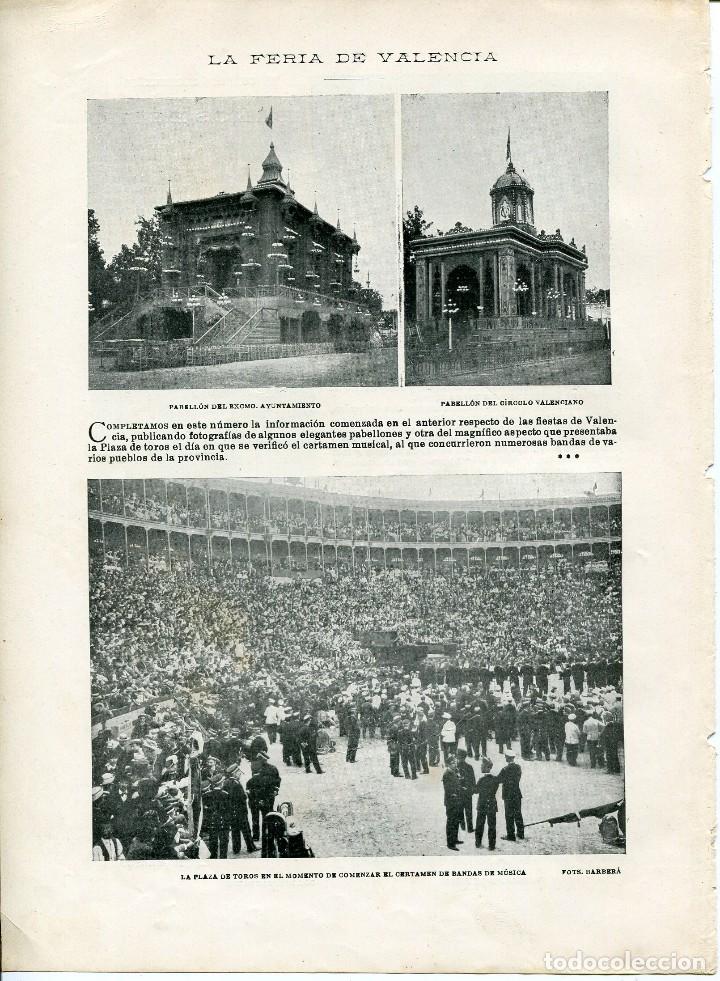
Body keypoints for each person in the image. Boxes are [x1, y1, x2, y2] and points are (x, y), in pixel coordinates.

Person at [224, 763, 257, 854]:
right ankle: (251, 847)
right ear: (234, 773)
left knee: (235, 830)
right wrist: (247, 794)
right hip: (240, 811)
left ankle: (236, 848)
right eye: (238, 773)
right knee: (246, 829)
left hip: (231, 811)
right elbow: (243, 797)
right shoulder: (237, 784)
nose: (239, 775)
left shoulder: (226, 782)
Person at [498, 750, 524, 842]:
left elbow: (499, 780)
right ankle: (521, 833)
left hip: (508, 795)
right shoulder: (518, 767)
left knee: (509, 815)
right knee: (518, 813)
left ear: (508, 758)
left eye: (506, 757)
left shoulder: (505, 769)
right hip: (517, 793)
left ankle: (510, 835)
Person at [475, 757, 499, 850]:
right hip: (492, 804)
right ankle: (492, 845)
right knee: (492, 825)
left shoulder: (481, 780)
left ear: (487, 768)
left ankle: (478, 842)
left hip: (482, 804)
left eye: (482, 766)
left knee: (479, 824)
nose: (481, 767)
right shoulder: (495, 779)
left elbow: (476, 791)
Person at [442, 756, 464, 851]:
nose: (455, 764)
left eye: (455, 762)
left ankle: (455, 839)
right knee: (451, 821)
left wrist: (461, 788)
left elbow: (457, 784)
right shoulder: (447, 774)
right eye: (453, 763)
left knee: (456, 820)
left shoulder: (454, 772)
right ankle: (450, 843)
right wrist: (454, 794)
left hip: (456, 800)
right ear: (449, 764)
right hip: (451, 801)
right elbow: (447, 788)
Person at [456, 748, 476, 834]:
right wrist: (472, 790)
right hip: (466, 793)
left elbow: (472, 780)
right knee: (467, 810)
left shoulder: (456, 767)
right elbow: (473, 781)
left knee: (462, 810)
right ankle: (468, 827)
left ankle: (463, 826)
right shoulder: (469, 767)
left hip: (461, 793)